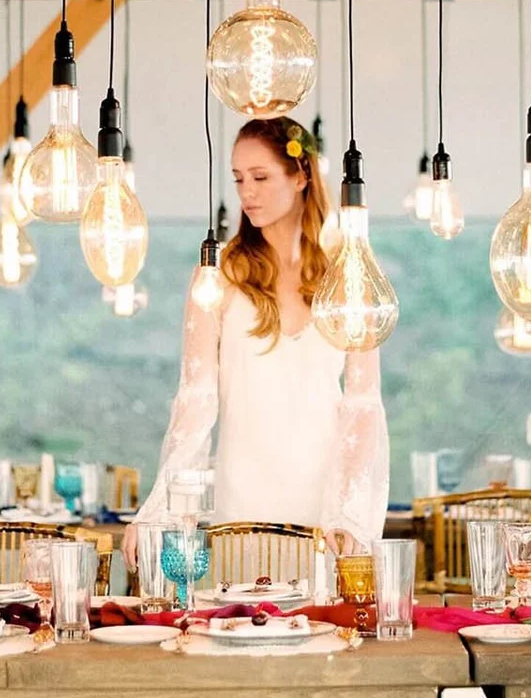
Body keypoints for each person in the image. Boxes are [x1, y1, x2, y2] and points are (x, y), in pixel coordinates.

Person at [124, 117, 389, 569]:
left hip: (323, 510)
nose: (247, 192)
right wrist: (158, 506)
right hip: (242, 504)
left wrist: (349, 513)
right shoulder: (218, 274)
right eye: (239, 179)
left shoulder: (348, 273)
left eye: (261, 177)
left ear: (301, 175)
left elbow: (362, 407)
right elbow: (196, 400)